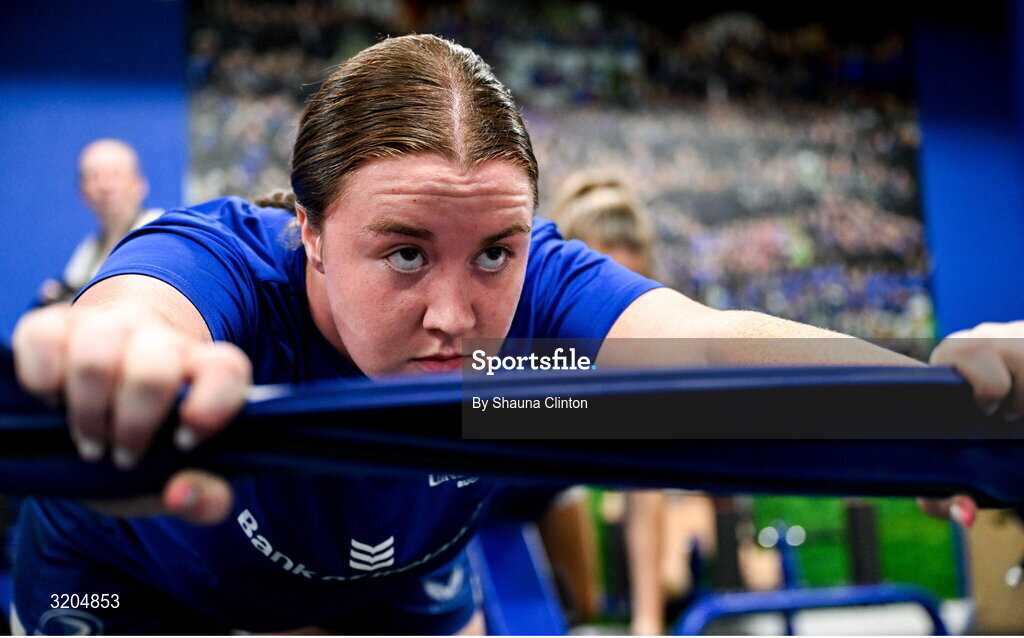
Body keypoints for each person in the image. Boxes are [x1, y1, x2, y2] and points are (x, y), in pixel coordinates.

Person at [9, 34, 1022, 635]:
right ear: (309, 232)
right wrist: (117, 361)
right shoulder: (224, 255)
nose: (456, 314)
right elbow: (134, 312)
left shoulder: (545, 282)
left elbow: (711, 347)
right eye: (403, 252)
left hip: (398, 581)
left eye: (493, 251)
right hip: (133, 575)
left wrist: (924, 405)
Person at [36, 139, 162, 306]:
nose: (105, 186)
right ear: (82, 191)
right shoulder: (89, 249)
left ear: (140, 185)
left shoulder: (158, 232)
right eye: (94, 177)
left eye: (116, 175)